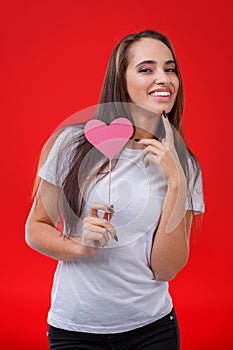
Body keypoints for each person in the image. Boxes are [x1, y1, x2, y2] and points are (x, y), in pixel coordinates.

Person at [25, 30, 204, 350]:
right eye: (147, 69)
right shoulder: (72, 145)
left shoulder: (185, 165)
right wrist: (78, 246)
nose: (163, 78)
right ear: (121, 82)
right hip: (75, 329)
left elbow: (166, 269)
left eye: (170, 68)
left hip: (152, 329)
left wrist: (176, 184)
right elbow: (35, 229)